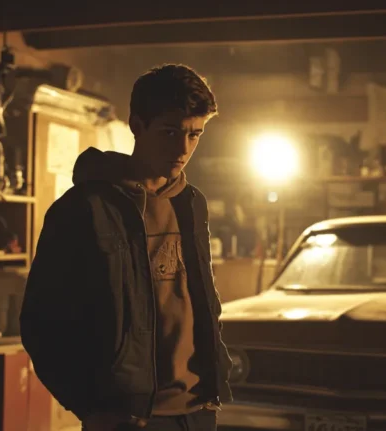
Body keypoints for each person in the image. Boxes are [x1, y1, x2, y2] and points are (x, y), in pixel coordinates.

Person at [21, 64, 233, 431]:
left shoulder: (191, 203)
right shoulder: (85, 208)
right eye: (170, 132)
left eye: (194, 135)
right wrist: (90, 407)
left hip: (197, 411)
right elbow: (41, 322)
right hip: (126, 417)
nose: (183, 148)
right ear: (137, 126)